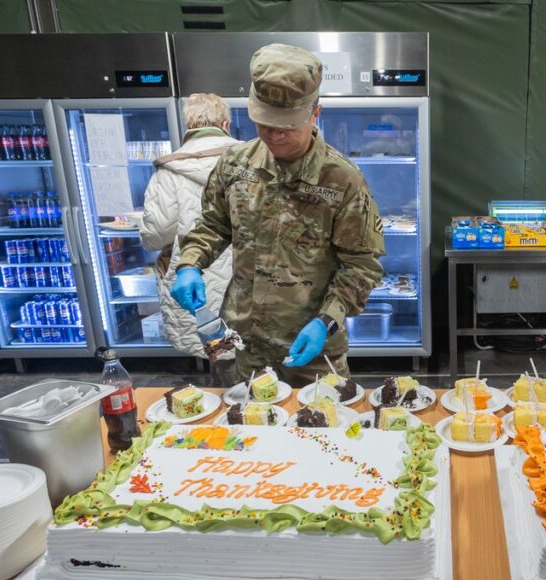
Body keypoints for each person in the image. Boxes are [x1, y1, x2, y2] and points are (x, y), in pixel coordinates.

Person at [170, 43, 384, 384]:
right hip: (246, 343)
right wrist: (189, 264)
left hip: (312, 348)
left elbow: (361, 265)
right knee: (249, 419)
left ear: (315, 113)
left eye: (287, 125)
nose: (274, 135)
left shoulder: (342, 180)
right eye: (265, 123)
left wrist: (326, 320)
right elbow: (213, 224)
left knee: (321, 418)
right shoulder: (235, 165)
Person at [140, 93, 242, 382]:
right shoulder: (249, 160)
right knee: (254, 356)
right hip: (248, 276)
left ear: (188, 125)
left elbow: (155, 234)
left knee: (219, 351)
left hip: (194, 275)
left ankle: (227, 399)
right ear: (225, 124)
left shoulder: (169, 170)